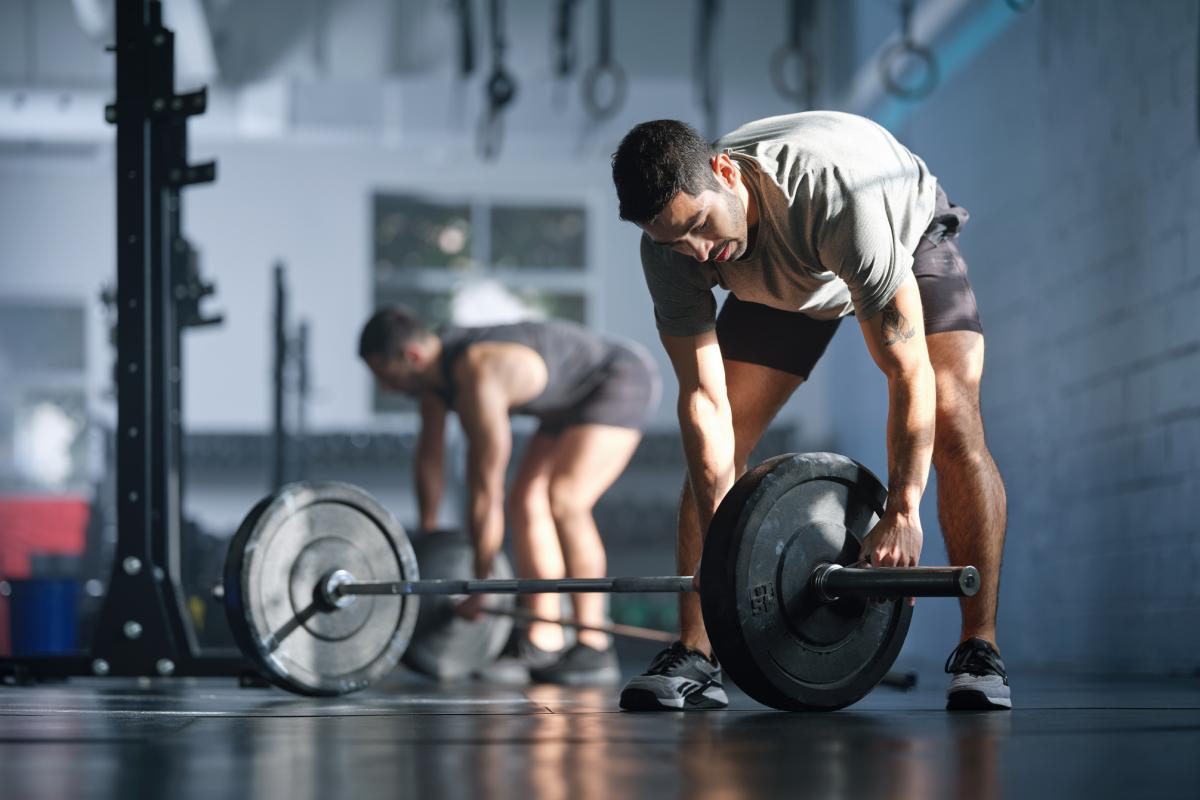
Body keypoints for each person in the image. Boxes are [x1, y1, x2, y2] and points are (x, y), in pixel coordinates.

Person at [610, 111, 1009, 711]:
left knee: (953, 419)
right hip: (780, 280)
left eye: (697, 225)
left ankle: (980, 648)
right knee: (718, 448)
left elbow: (907, 372)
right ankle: (696, 651)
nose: (697, 253)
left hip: (901, 234)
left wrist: (903, 508)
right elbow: (703, 398)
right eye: (675, 241)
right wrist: (725, 544)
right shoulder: (675, 251)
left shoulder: (833, 196)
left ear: (725, 172)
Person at [358, 308, 661, 685]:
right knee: (524, 500)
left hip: (617, 378)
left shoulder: (479, 373)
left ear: (411, 357)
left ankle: (593, 644)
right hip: (564, 403)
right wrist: (429, 539)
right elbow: (430, 458)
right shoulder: (434, 380)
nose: (387, 389)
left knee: (566, 498)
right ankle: (542, 638)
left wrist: (480, 584)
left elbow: (485, 487)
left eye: (386, 377)